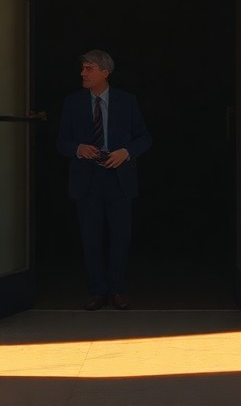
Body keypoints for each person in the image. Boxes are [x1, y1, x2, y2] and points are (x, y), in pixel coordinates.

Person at [55, 49, 152, 311]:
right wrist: (78, 148)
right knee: (91, 238)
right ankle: (97, 291)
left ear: (104, 73)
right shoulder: (73, 103)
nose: (83, 74)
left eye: (89, 69)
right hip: (87, 179)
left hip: (119, 178)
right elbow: (61, 142)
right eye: (83, 68)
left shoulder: (126, 101)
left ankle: (118, 290)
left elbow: (145, 137)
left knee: (120, 237)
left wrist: (126, 152)